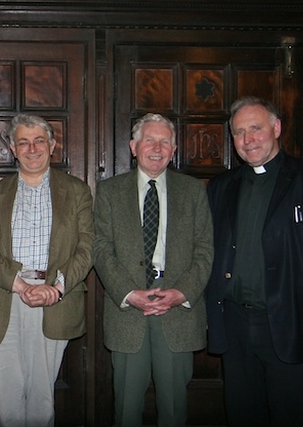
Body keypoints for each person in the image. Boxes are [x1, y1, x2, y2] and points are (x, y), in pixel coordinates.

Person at [206, 96, 303, 426]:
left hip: (293, 325)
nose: (248, 140)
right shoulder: (221, 187)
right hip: (235, 327)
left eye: (256, 128)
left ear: (276, 128)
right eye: (239, 132)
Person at [0, 114, 94, 427]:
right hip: (4, 297)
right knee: (7, 402)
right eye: (23, 142)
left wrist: (57, 286)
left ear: (52, 145)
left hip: (55, 299)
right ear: (13, 148)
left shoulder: (77, 192)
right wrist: (20, 285)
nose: (32, 148)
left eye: (39, 140)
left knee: (41, 401)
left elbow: (88, 247)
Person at [93, 113, 213, 427]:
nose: (157, 148)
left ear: (174, 150)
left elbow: (204, 250)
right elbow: (101, 249)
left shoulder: (193, 191)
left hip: (177, 313)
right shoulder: (109, 191)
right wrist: (129, 293)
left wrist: (181, 292)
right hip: (127, 313)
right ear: (134, 147)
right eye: (150, 140)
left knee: (174, 410)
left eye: (165, 142)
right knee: (126, 410)